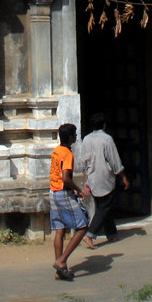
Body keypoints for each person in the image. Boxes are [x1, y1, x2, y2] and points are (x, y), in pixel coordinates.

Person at [81, 113, 129, 248]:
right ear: (104, 125)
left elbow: (84, 162)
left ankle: (111, 233)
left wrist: (86, 181)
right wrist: (124, 178)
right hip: (104, 177)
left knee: (103, 205)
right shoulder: (107, 139)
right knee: (104, 207)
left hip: (92, 177)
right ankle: (90, 234)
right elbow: (115, 161)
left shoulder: (86, 139)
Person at [49, 123, 88, 281]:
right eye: (75, 134)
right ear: (70, 137)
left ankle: (60, 270)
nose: (76, 136)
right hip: (63, 193)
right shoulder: (67, 154)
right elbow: (65, 178)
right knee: (83, 225)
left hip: (53, 192)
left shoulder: (56, 151)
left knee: (60, 229)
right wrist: (78, 190)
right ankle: (62, 260)